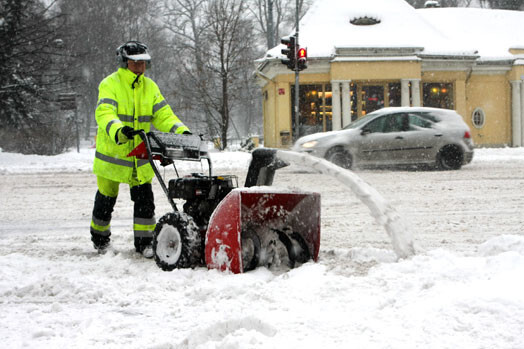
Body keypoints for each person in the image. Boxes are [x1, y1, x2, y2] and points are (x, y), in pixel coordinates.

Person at [90, 40, 190, 258]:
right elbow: (105, 113)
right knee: (106, 199)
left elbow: (164, 115)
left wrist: (181, 132)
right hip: (113, 156)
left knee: (145, 200)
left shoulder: (150, 87)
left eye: (144, 63)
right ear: (125, 62)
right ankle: (100, 240)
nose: (141, 67)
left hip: (140, 156)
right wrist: (119, 130)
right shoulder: (110, 84)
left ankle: (145, 243)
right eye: (136, 63)